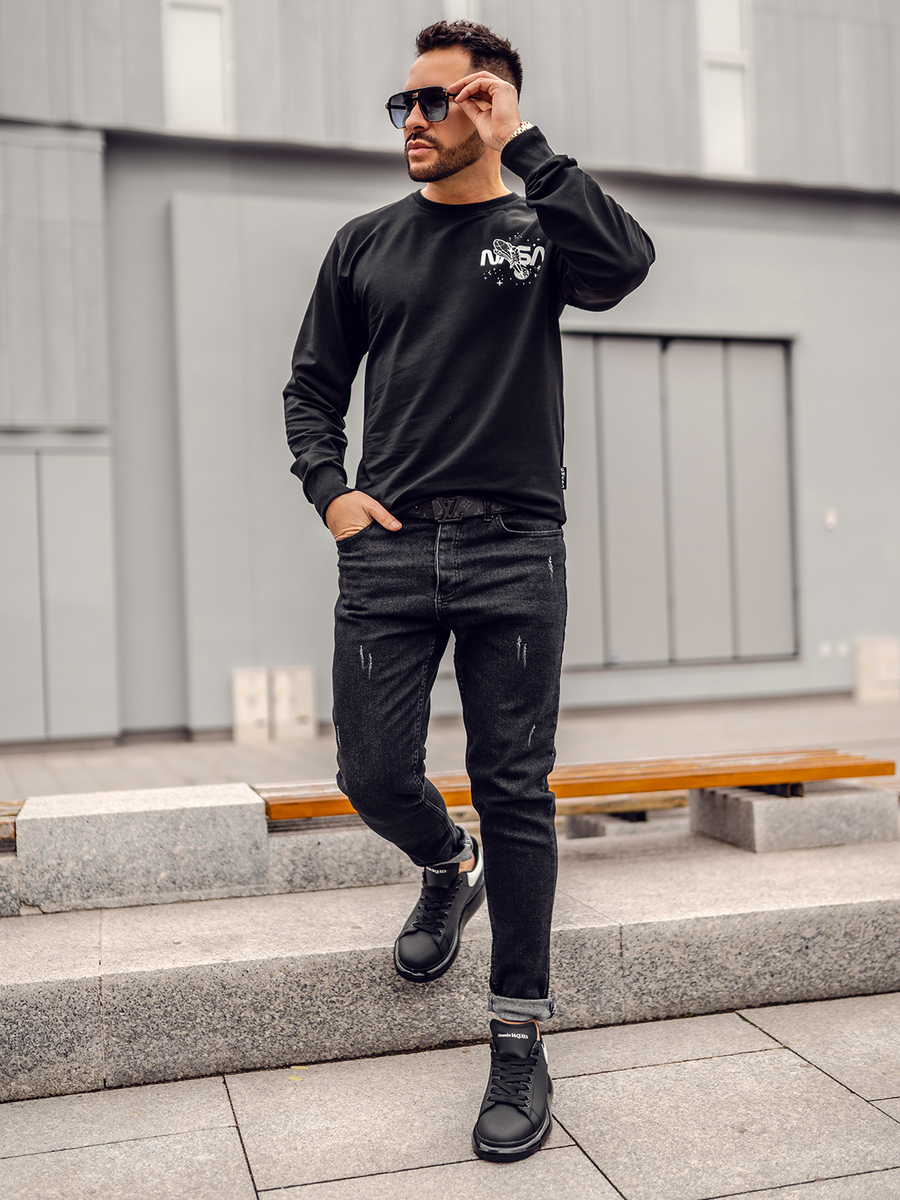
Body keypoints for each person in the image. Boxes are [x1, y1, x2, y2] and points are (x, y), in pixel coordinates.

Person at [284, 19, 654, 1163]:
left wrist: (529, 147)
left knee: (518, 790)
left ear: (489, 105)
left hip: (513, 549)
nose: (413, 120)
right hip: (389, 550)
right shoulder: (363, 243)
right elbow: (311, 388)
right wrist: (332, 492)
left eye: (437, 101)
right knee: (371, 772)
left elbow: (626, 268)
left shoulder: (539, 233)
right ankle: (449, 865)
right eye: (403, 103)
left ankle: (518, 1038)